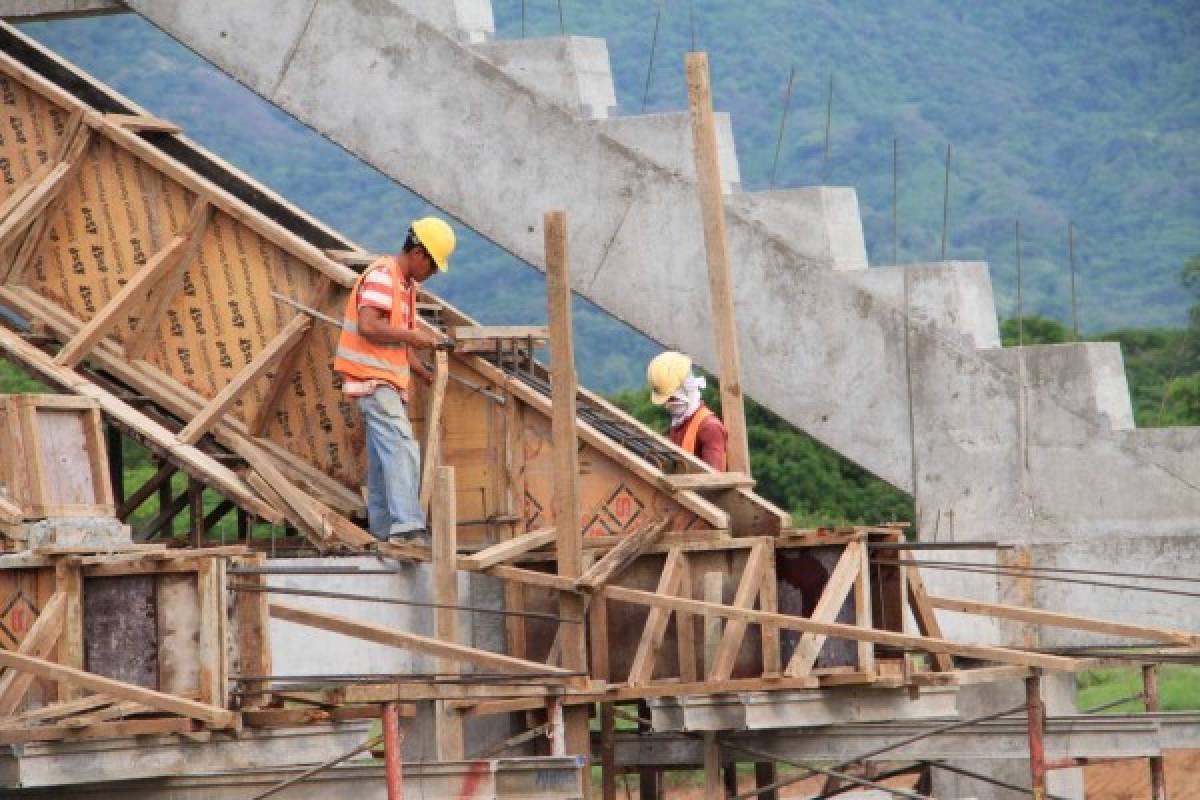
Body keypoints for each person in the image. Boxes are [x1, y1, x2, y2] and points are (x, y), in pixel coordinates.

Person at [334, 217, 456, 544]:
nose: (431, 275)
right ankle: (408, 526)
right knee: (402, 447)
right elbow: (369, 326)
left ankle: (385, 530)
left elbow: (400, 344)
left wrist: (424, 373)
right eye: (432, 267)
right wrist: (413, 336)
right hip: (373, 381)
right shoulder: (382, 277)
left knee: (381, 462)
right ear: (418, 253)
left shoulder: (405, 286)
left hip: (384, 382)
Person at [647, 351, 728, 471]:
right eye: (666, 400)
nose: (667, 404)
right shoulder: (679, 424)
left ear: (686, 389)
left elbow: (714, 483)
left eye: (672, 399)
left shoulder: (710, 428)